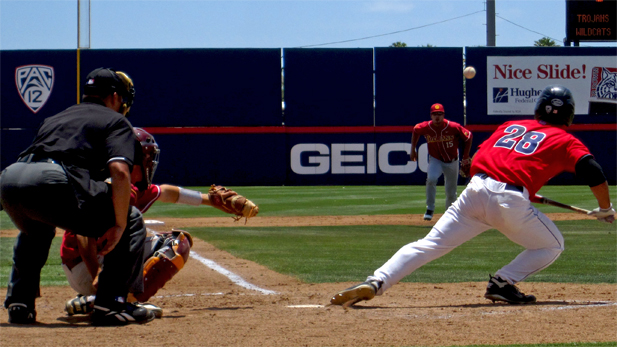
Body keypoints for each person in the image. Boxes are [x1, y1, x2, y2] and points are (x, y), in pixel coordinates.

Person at [330, 85, 614, 307]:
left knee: (428, 244)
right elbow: (592, 169)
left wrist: (516, 188)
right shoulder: (565, 139)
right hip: (509, 200)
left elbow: (478, 162)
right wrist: (605, 208)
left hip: (475, 190)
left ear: (538, 108)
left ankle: (377, 280)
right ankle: (503, 283)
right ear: (569, 115)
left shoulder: (510, 127)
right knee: (553, 245)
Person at [0, 67, 155, 326]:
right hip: (52, 180)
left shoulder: (57, 117)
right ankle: (111, 304)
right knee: (131, 218)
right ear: (114, 97)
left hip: (10, 180)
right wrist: (118, 224)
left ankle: (20, 302)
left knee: (35, 226)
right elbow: (119, 172)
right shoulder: (115, 121)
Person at [62, 128, 251, 317]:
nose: (151, 162)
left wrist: (210, 201)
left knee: (154, 238)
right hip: (86, 266)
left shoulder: (124, 183)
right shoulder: (113, 186)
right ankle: (118, 301)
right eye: (148, 156)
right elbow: (82, 232)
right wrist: (96, 273)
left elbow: (167, 192)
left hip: (82, 264)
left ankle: (97, 299)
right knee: (177, 244)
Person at [410, 103, 473, 221]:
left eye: (439, 114)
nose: (437, 117)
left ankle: (449, 214)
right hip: (436, 160)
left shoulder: (453, 126)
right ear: (431, 115)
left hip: (452, 161)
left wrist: (465, 157)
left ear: (444, 115)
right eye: (434, 114)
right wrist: (413, 148)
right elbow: (415, 130)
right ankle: (430, 208)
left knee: (451, 192)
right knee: (431, 179)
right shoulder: (426, 127)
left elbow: (468, 137)